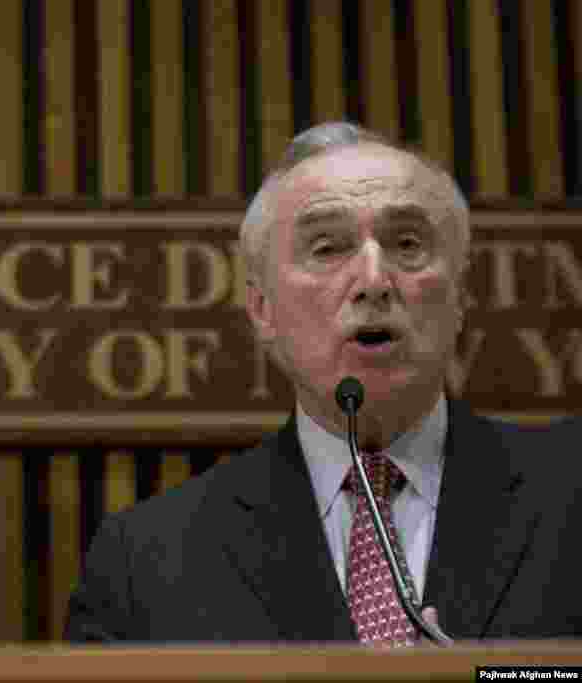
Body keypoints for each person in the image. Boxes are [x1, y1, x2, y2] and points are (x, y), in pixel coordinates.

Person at [64, 122, 582, 644]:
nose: (374, 281)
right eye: (328, 248)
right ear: (263, 309)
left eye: (407, 243)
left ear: (461, 295)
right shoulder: (148, 560)